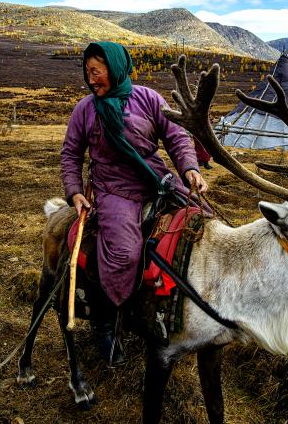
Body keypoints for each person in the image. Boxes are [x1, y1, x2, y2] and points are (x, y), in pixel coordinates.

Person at [61, 41, 208, 365]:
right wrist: (74, 191)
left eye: (96, 71)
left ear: (115, 69)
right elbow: (71, 153)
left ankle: (187, 305)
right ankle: (106, 321)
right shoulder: (85, 109)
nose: (91, 79)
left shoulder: (149, 99)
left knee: (204, 221)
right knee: (124, 253)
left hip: (155, 179)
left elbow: (176, 137)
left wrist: (190, 169)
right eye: (88, 72)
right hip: (115, 189)